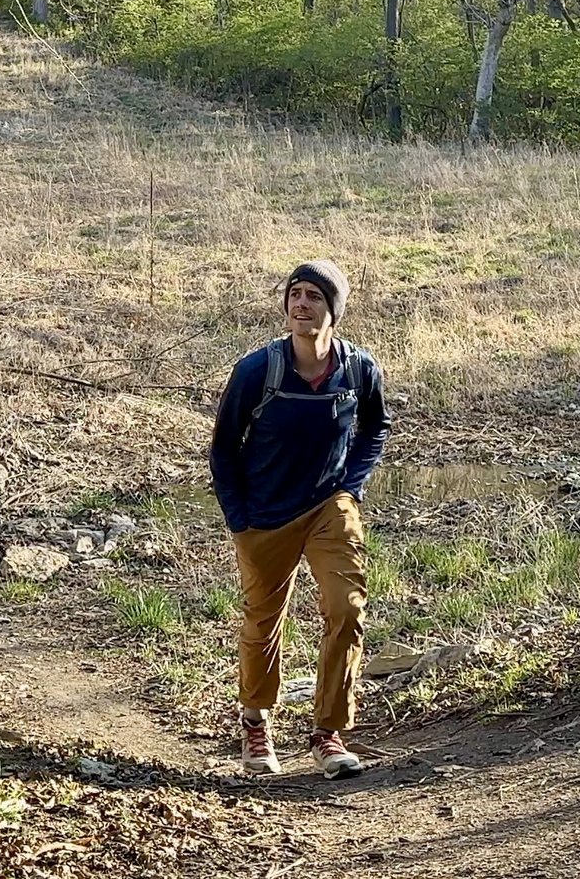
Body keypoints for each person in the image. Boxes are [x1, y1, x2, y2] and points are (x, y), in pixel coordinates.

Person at [207, 259, 392, 779]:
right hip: (264, 515)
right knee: (263, 622)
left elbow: (376, 428)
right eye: (296, 294)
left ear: (334, 309)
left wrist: (351, 487)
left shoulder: (358, 370)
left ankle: (328, 734)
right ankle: (256, 722)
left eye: (314, 295)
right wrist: (238, 518)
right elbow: (223, 448)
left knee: (346, 607)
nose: (302, 303)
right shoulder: (256, 371)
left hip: (329, 508)